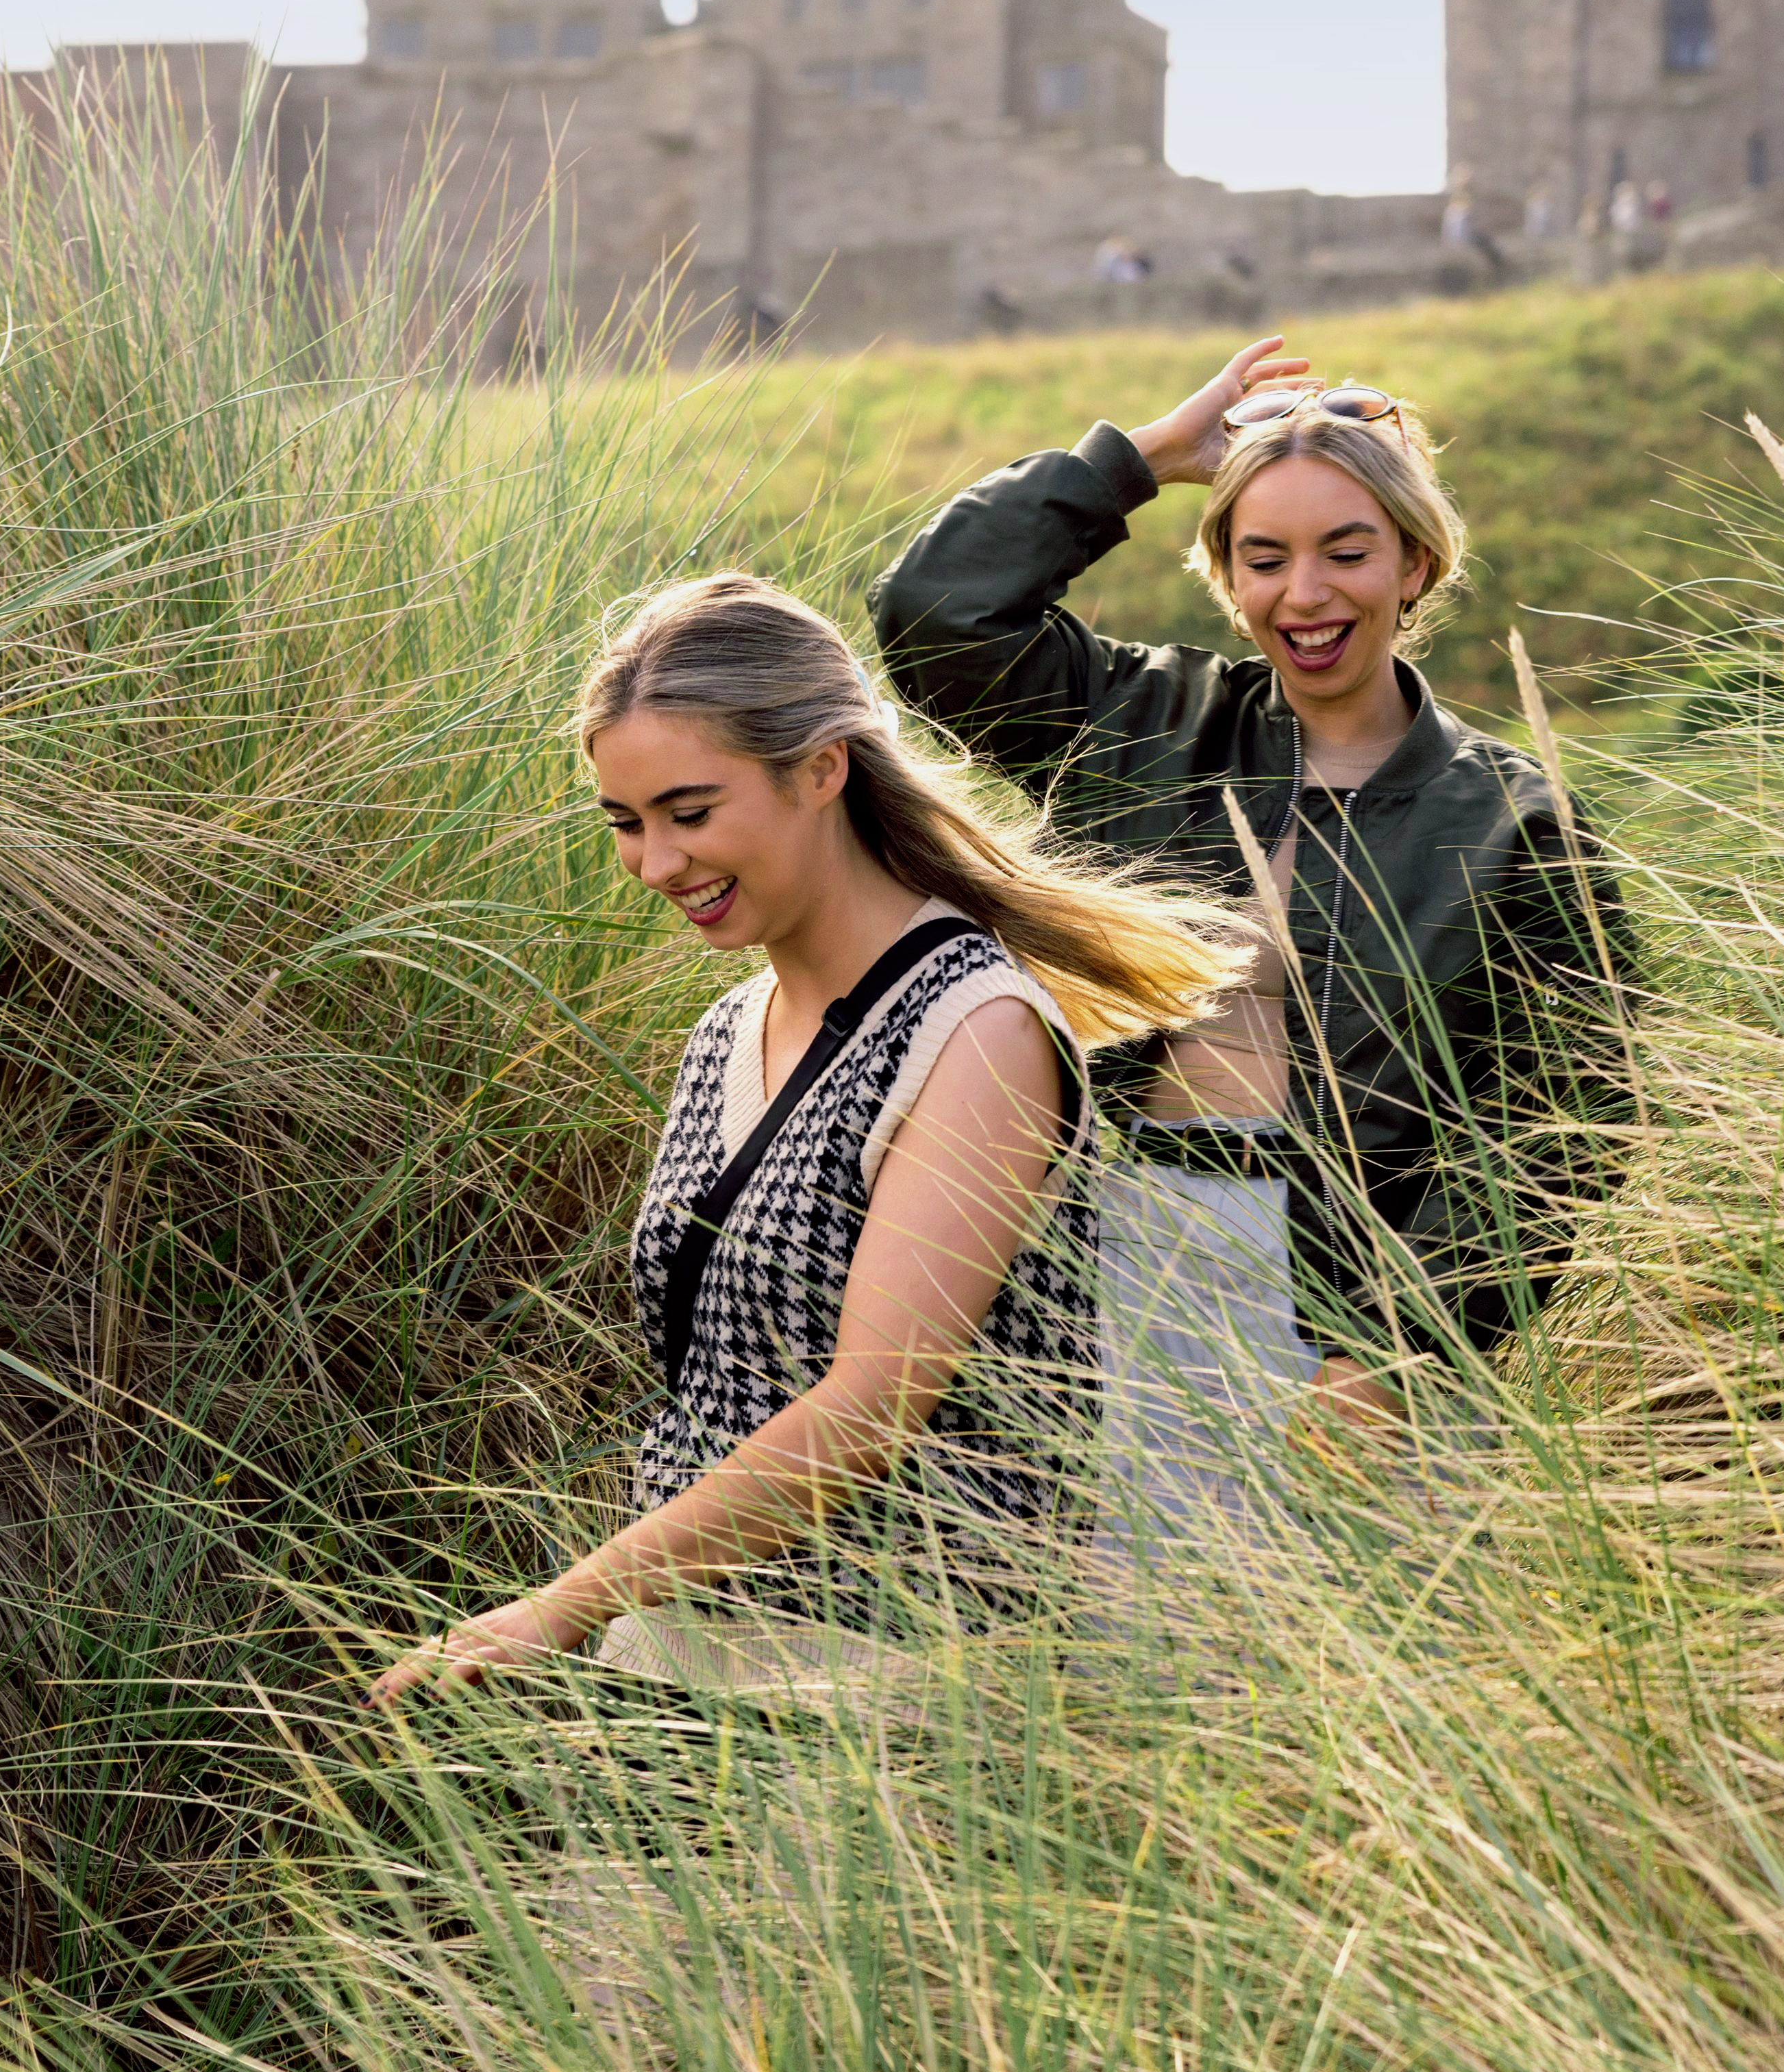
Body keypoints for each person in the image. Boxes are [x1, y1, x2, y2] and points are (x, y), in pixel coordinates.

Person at [374, 576, 1245, 1701]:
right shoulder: (729, 1030)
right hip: (680, 1662)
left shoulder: (974, 1031)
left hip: (894, 1685)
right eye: (626, 825)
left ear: (821, 769)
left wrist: (557, 1607)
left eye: (691, 813)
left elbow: (868, 1408)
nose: (655, 864)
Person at [867, 340, 1627, 1465]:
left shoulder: (1515, 826)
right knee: (1084, 1629)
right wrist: (1143, 458)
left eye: (1346, 551)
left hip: (1346, 1299)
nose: (1304, 594)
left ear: (1414, 564)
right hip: (1084, 1249)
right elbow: (936, 611)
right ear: (1225, 574)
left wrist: (1395, 1346)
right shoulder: (1133, 721)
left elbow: (1561, 1121)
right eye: (1262, 557)